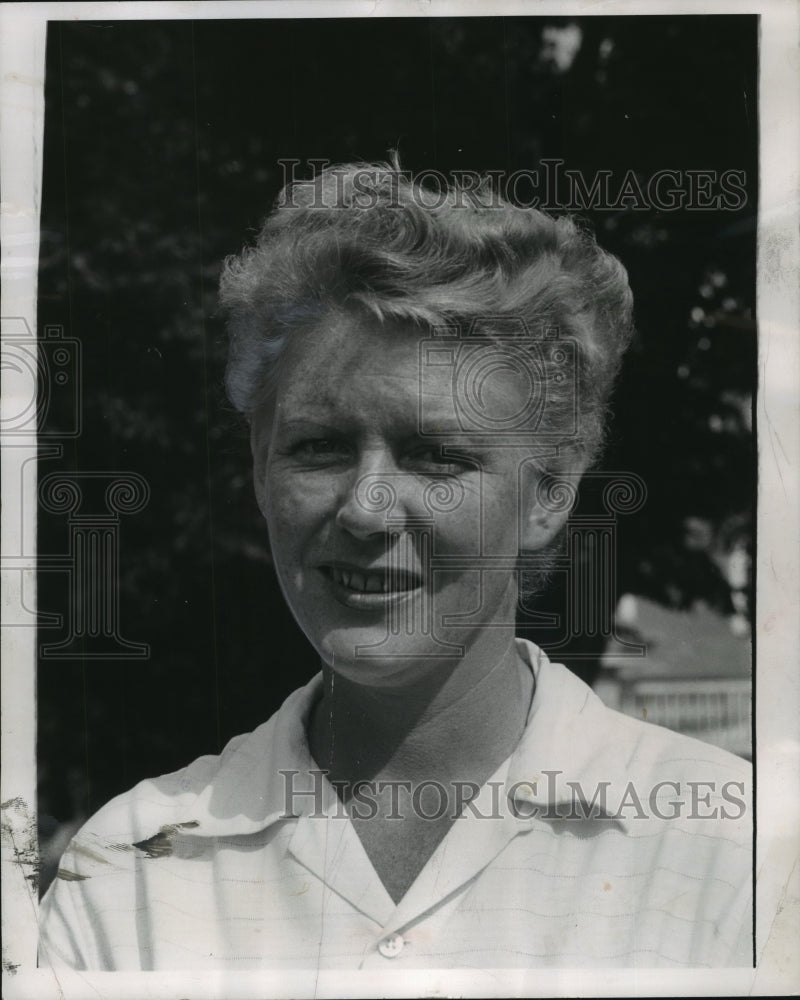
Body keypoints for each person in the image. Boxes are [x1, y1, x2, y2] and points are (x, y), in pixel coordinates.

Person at [39, 161, 751, 970]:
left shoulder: (731, 860)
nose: (367, 509)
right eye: (318, 447)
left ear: (549, 492)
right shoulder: (127, 877)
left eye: (435, 455)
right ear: (258, 469)